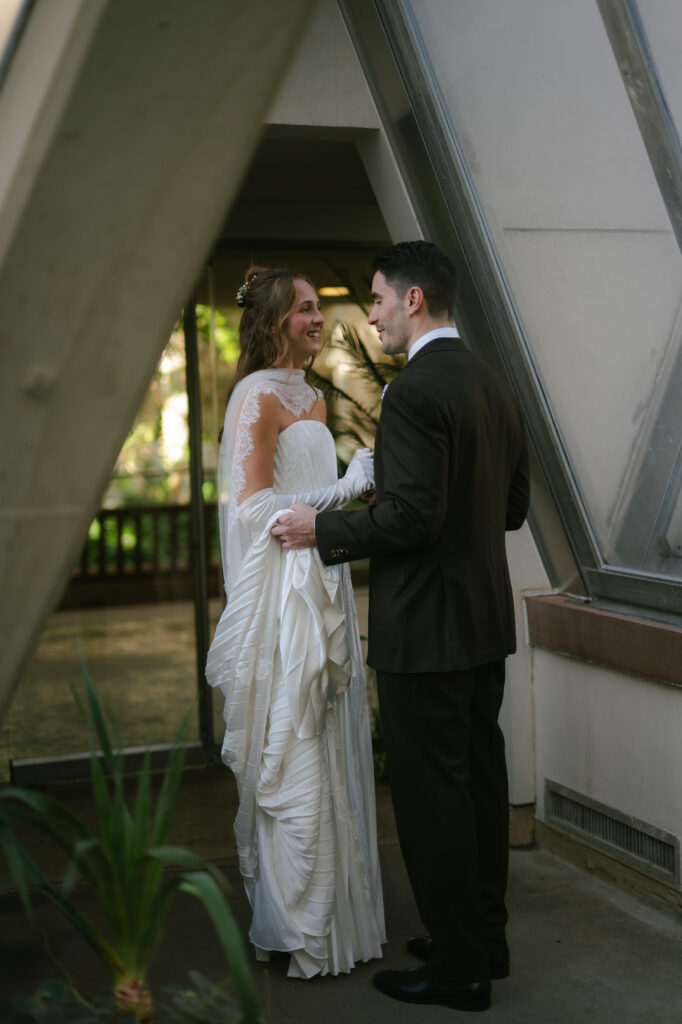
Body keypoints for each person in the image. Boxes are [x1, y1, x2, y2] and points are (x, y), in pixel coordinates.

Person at [271, 241, 530, 1011]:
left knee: (430, 800)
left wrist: (327, 532)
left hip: (426, 630)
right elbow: (510, 511)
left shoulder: (416, 392)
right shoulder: (494, 383)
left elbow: (414, 518)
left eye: (378, 298)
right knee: (480, 786)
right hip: (484, 623)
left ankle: (459, 972)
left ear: (414, 300)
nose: (371, 313)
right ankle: (484, 939)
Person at [205, 265, 385, 980]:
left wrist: (340, 506)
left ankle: (343, 918)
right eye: (306, 309)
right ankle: (300, 926)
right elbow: (249, 508)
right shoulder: (256, 395)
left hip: (325, 583)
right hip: (286, 600)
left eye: (320, 308)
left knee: (334, 734)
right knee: (296, 741)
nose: (318, 318)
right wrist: (343, 489)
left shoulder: (310, 395)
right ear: (276, 319)